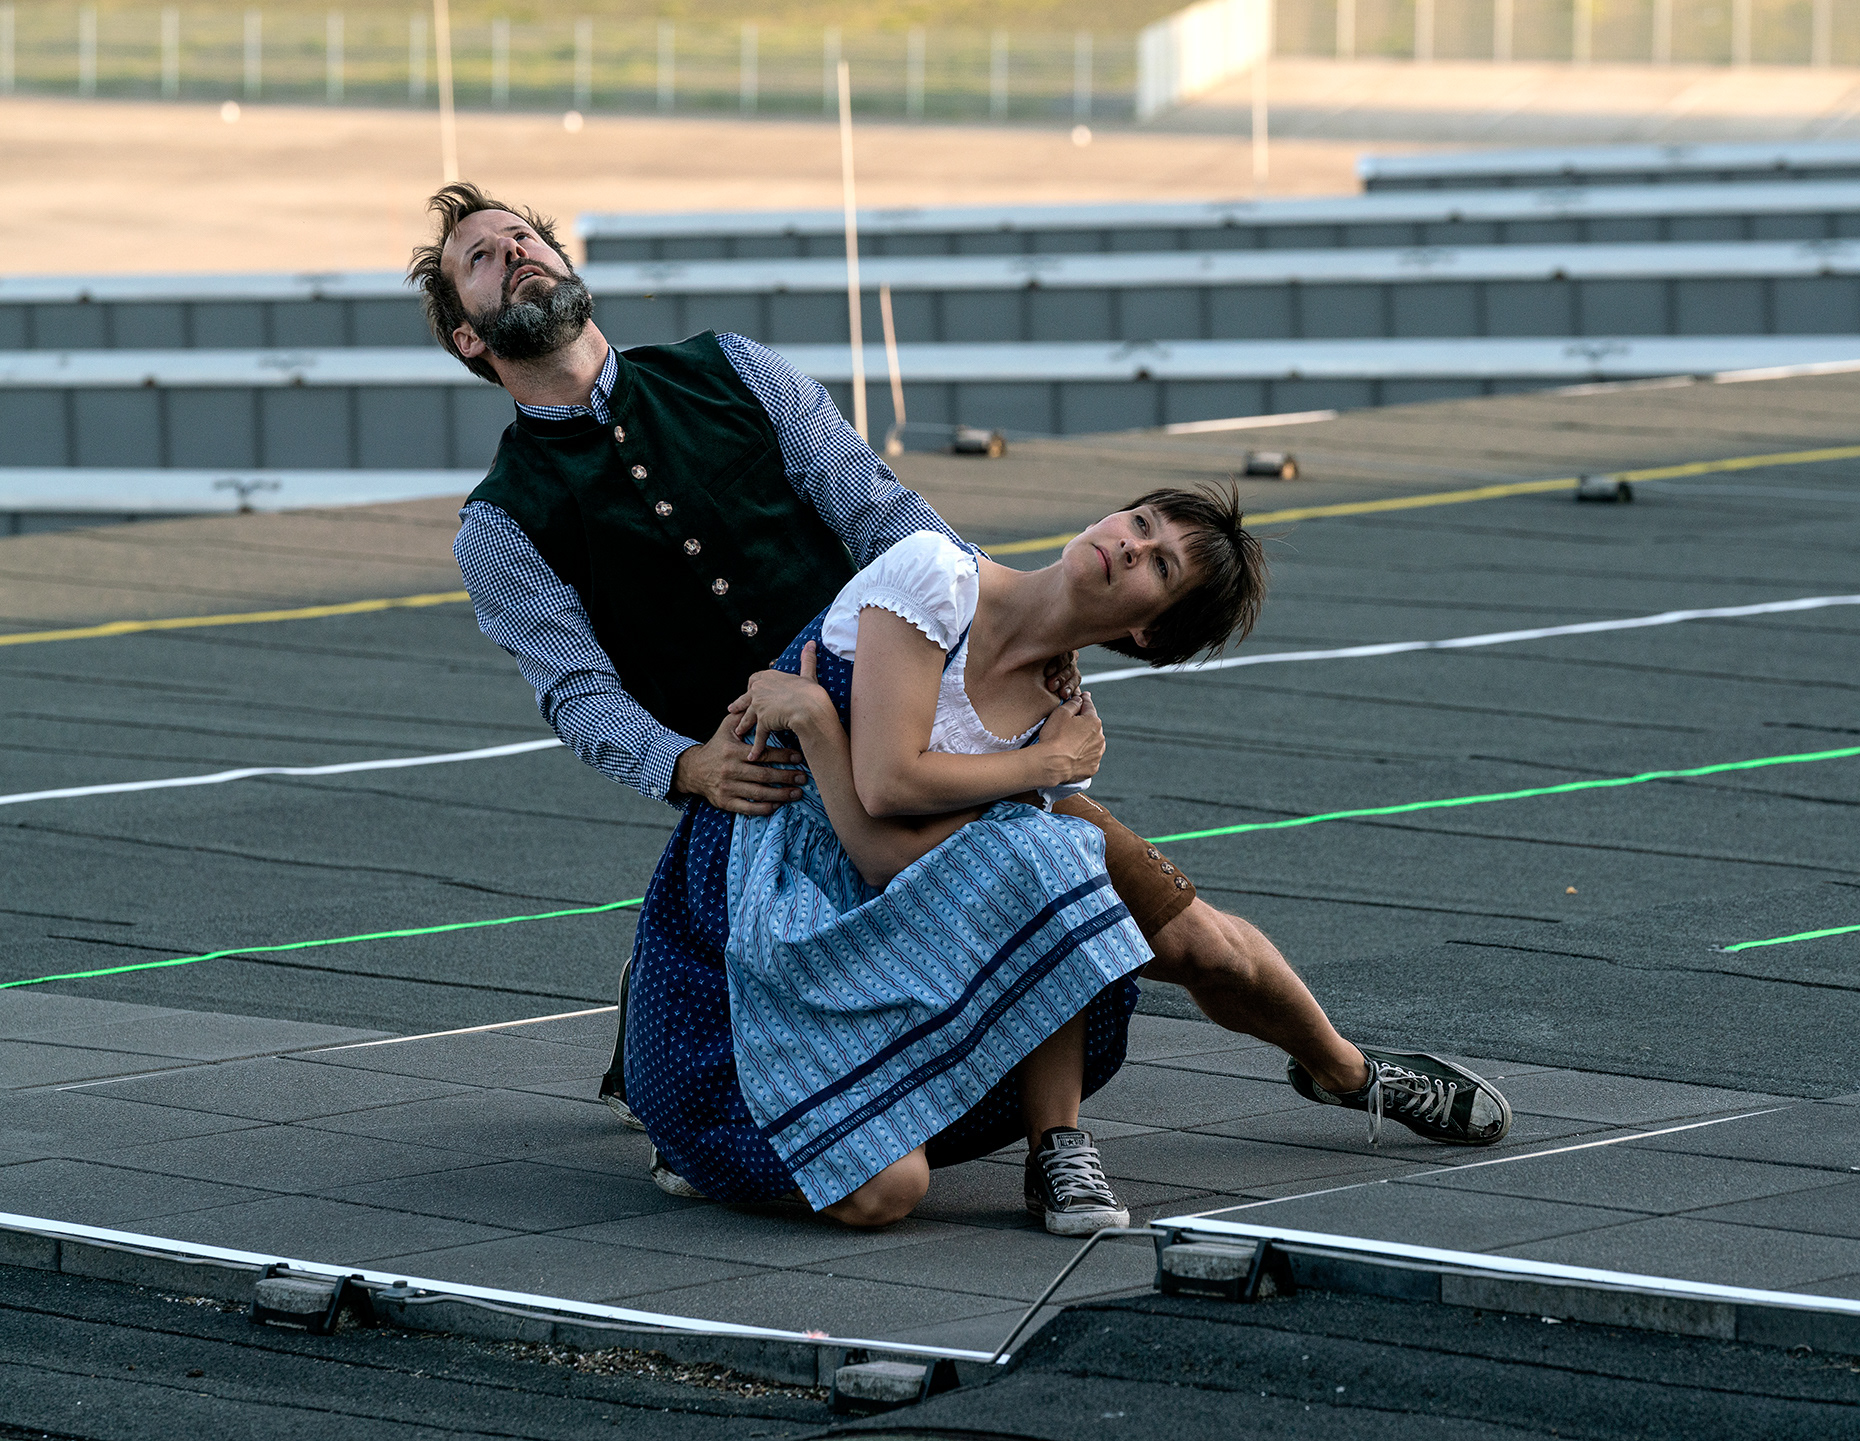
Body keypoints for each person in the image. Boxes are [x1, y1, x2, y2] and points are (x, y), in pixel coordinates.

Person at [412, 181, 1512, 1197]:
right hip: (771, 795)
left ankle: (1348, 1071)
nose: (517, 253)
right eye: (482, 258)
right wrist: (690, 765)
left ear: (568, 260)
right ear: (469, 334)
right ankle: (737, 1071)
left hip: (911, 718)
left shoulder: (733, 367)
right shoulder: (499, 524)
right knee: (845, 961)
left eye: (526, 236)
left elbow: (882, 514)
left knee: (1185, 936)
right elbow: (579, 694)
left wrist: (998, 621)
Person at [630, 493, 1275, 1232]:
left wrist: (816, 720)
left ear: (1148, 631)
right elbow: (887, 784)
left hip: (879, 908)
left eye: (1161, 566)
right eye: (1141, 523)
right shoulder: (936, 576)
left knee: (1056, 857)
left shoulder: (1057, 720)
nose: (1133, 545)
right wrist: (1042, 764)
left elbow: (885, 856)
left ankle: (1058, 1147)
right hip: (765, 892)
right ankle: (703, 1134)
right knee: (886, 1190)